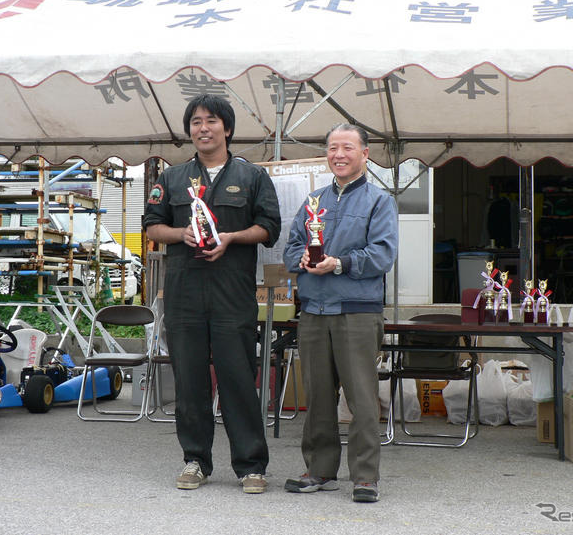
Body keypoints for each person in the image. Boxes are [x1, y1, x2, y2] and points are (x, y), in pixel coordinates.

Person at [142, 94, 280, 494]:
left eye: (211, 121)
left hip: (232, 291)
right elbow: (152, 226)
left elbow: (269, 226)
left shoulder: (253, 177)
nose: (203, 128)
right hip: (184, 291)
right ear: (190, 131)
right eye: (196, 122)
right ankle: (195, 460)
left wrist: (233, 237)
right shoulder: (171, 179)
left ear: (228, 129)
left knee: (238, 376)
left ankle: (251, 466)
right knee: (189, 380)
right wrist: (179, 234)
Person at [283, 123, 397, 503]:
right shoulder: (313, 201)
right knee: (317, 395)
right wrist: (300, 257)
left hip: (357, 312)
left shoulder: (379, 202)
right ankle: (319, 470)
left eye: (347, 147)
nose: (339, 155)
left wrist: (338, 264)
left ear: (365, 154)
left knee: (361, 397)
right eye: (333, 148)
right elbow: (290, 249)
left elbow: (383, 255)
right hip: (314, 310)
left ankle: (365, 476)